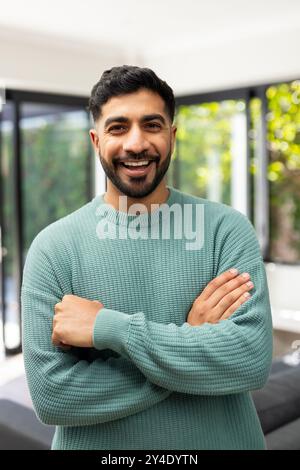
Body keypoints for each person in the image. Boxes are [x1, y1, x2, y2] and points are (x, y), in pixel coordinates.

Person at [21, 65, 273, 450]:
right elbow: (53, 396)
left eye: (151, 125)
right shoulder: (53, 248)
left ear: (172, 135)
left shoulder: (226, 229)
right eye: (118, 127)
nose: (136, 143)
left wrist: (109, 328)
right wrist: (191, 344)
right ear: (95, 140)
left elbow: (250, 360)